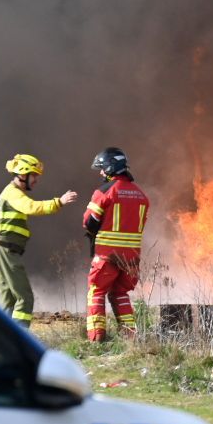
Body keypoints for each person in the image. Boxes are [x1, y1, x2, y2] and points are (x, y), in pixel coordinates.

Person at [0, 154, 77, 329]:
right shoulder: (13, 194)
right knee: (25, 298)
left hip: (1, 252)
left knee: (8, 301)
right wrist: (59, 202)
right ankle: (21, 340)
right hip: (6, 253)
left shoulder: (12, 192)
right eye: (34, 175)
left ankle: (4, 338)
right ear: (23, 174)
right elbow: (32, 207)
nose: (36, 180)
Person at [82, 147, 149, 343]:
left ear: (111, 168)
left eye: (102, 168)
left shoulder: (105, 191)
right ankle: (130, 338)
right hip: (132, 259)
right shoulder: (141, 195)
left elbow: (89, 222)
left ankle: (96, 339)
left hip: (107, 256)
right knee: (120, 293)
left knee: (96, 291)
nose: (101, 173)